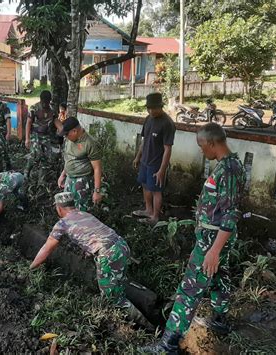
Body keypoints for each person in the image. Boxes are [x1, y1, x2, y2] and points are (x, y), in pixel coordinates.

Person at [138, 123, 246, 354]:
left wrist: (214, 250)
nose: (201, 150)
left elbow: (229, 215)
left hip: (213, 239)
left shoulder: (228, 170)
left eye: (201, 145)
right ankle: (219, 319)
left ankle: (168, 345)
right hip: (215, 238)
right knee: (219, 276)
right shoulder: (231, 165)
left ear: (213, 143)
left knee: (189, 289)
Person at [30, 192, 151, 327]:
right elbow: (93, 234)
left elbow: (47, 248)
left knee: (113, 299)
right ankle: (137, 314)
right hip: (122, 245)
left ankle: (147, 328)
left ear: (59, 208)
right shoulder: (85, 214)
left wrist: (31, 267)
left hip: (108, 254)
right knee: (118, 286)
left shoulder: (62, 224)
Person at [132, 92, 176, 225]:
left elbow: (168, 148)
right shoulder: (148, 119)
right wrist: (138, 156)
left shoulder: (167, 123)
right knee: (145, 185)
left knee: (156, 190)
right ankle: (148, 210)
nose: (151, 111)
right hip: (145, 161)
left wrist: (162, 170)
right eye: (148, 108)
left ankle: (155, 217)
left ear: (160, 106)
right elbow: (144, 140)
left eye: (154, 108)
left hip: (156, 163)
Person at [57, 117, 102, 211]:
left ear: (74, 131)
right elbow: (70, 159)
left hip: (82, 182)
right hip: (69, 179)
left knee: (81, 211)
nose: (65, 137)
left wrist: (97, 191)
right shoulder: (70, 139)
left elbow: (97, 168)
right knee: (67, 208)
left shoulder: (90, 143)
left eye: (67, 134)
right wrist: (63, 175)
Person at [24, 90, 61, 184]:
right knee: (35, 155)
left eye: (47, 102)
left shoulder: (52, 110)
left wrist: (63, 130)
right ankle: (26, 173)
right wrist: (27, 139)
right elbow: (28, 123)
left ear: (49, 101)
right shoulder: (34, 108)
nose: (45, 104)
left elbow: (57, 122)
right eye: (43, 102)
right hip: (35, 135)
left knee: (47, 157)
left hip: (47, 136)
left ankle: (42, 179)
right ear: (40, 100)